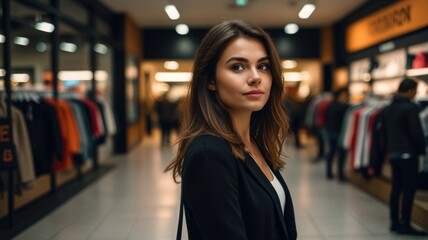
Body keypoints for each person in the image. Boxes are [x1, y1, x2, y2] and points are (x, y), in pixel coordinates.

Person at [165, 20, 297, 239]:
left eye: (263, 66)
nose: (256, 77)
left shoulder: (253, 142)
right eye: (238, 66)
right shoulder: (210, 154)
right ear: (210, 81)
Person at [381, 78, 427, 236]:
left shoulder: (388, 108)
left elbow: (384, 133)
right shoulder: (410, 108)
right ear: (409, 90)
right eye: (415, 90)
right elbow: (416, 134)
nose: (415, 94)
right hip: (408, 154)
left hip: (393, 153)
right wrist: (422, 149)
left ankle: (394, 222)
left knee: (396, 188)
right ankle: (405, 223)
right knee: (409, 190)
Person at [324, 87, 349, 181]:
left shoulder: (330, 105)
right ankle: (340, 174)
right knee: (341, 154)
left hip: (330, 131)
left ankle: (329, 172)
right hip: (338, 133)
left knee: (331, 152)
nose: (345, 97)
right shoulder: (343, 106)